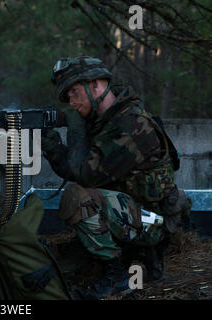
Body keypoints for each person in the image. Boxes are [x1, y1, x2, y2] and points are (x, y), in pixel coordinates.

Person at [40, 56, 191, 299]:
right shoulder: (106, 122)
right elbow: (80, 168)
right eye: (68, 97)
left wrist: (68, 136)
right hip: (134, 213)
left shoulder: (129, 125)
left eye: (75, 92)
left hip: (153, 222)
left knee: (78, 198)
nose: (72, 102)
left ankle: (117, 276)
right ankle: (119, 257)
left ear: (96, 84)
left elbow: (85, 175)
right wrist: (54, 141)